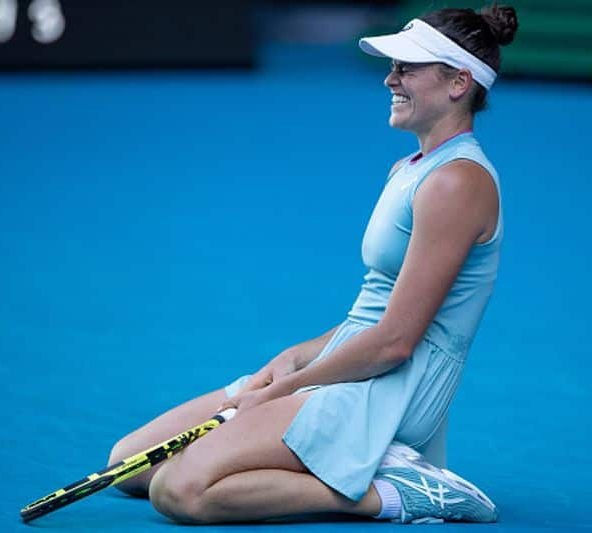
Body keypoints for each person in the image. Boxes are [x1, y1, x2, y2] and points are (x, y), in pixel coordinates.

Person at [108, 3, 518, 525]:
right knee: (128, 466)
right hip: (354, 362)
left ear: (459, 82)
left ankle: (400, 494)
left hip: (390, 391)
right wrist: (292, 359)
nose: (389, 79)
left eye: (406, 68)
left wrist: (280, 393)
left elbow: (395, 340)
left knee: (180, 490)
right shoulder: (412, 168)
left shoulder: (458, 183)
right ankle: (347, 463)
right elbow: (373, 312)